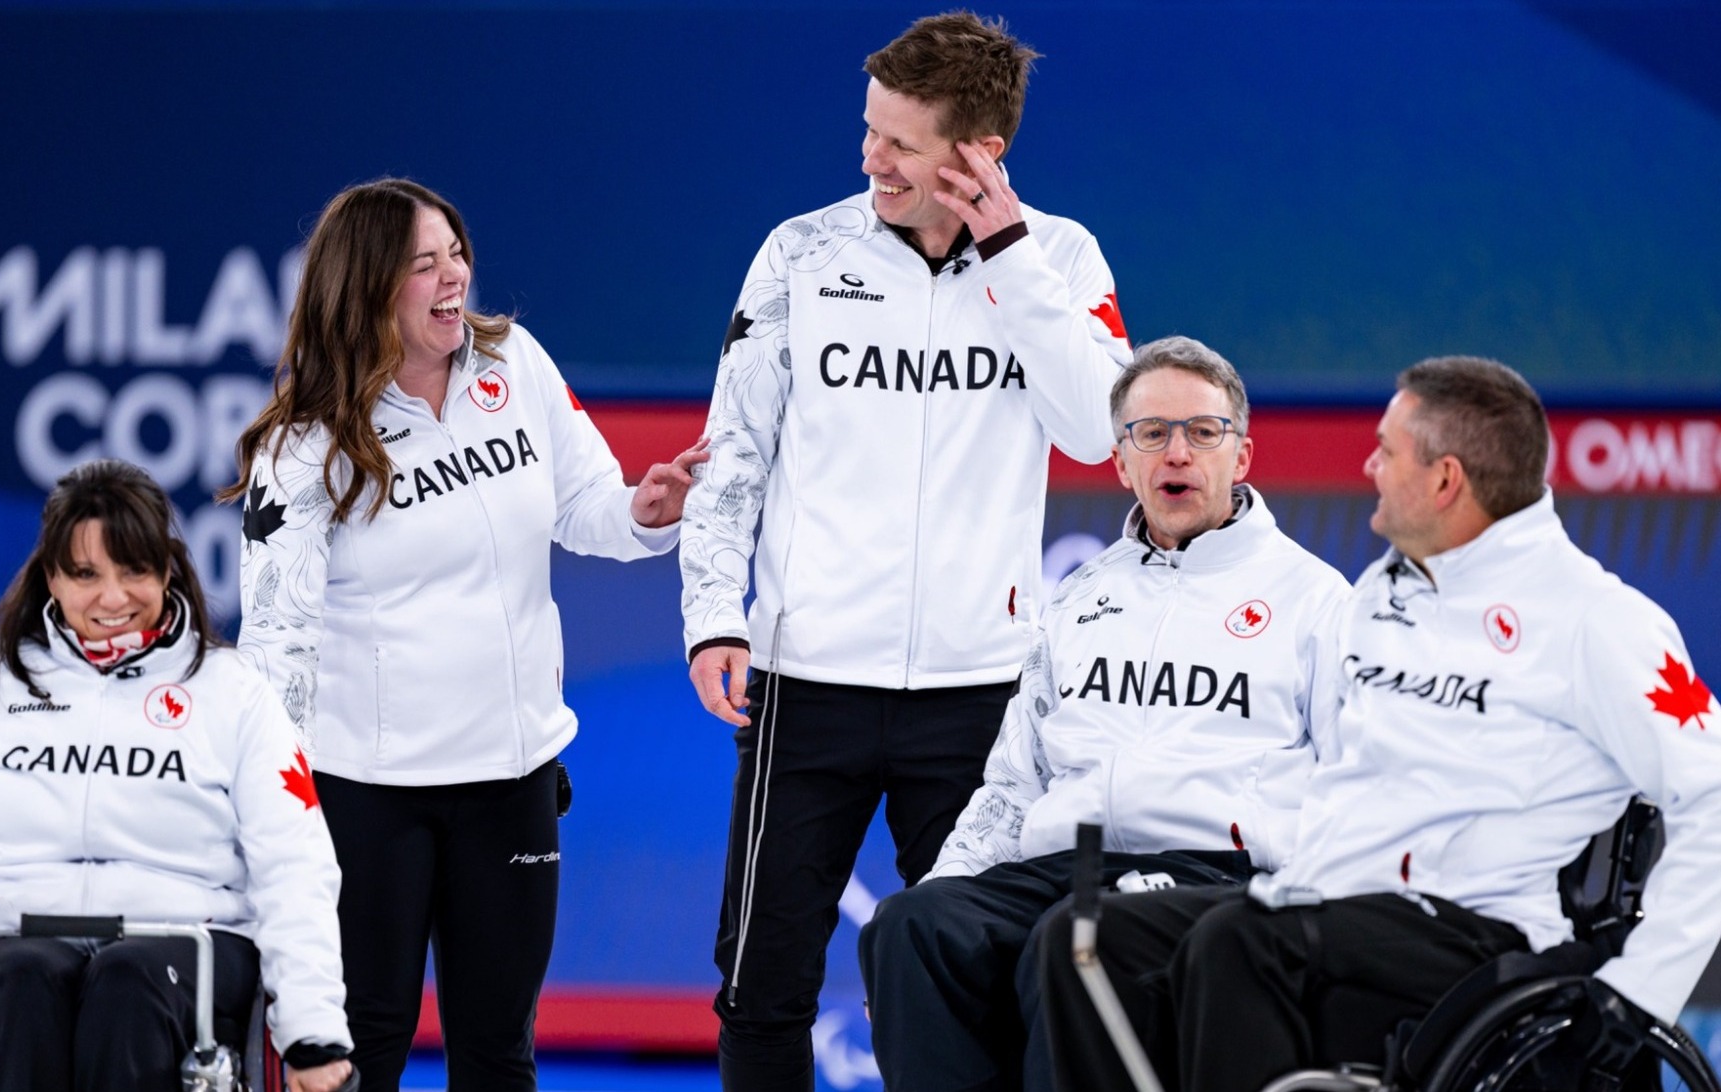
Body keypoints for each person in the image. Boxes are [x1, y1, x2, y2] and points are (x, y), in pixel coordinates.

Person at [1036, 356, 1721, 1092]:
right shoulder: (1380, 596)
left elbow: (1710, 794)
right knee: (1093, 938)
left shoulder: (1597, 620)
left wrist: (1642, 987)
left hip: (1488, 929)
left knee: (1242, 945)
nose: (1367, 465)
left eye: (1387, 451)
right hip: (1339, 906)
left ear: (1444, 479)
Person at [679, 12, 1134, 1087]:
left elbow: (1090, 428)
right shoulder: (799, 252)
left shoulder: (1060, 257)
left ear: (979, 155)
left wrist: (1008, 255)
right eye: (868, 130)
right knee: (759, 983)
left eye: (898, 141)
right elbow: (730, 454)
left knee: (973, 976)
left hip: (981, 692)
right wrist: (713, 616)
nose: (867, 158)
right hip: (804, 683)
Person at [221, 177, 706, 1092]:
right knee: (362, 1048)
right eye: (423, 264)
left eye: (457, 254)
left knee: (498, 1051)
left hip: (511, 780)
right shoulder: (305, 445)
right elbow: (278, 642)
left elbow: (585, 505)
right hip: (367, 796)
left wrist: (646, 510)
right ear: (366, 287)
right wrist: (278, 810)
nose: (454, 278)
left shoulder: (512, 362)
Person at [856, 336, 1349, 1090]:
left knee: (1073, 940)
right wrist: (944, 885)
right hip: (1064, 864)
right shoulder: (1080, 596)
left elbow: (1356, 781)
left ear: (1240, 457)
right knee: (911, 928)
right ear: (1121, 463)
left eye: (1201, 432)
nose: (1175, 453)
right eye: (1151, 433)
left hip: (1212, 875)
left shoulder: (1314, 600)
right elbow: (1013, 784)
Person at [0, 459, 353, 1092]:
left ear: (168, 568)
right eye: (86, 574)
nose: (112, 599)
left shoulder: (232, 692)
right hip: (5, 931)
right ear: (51, 579)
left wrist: (311, 1029)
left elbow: (295, 857)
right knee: (20, 983)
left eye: (133, 570)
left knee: (127, 985)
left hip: (185, 937)